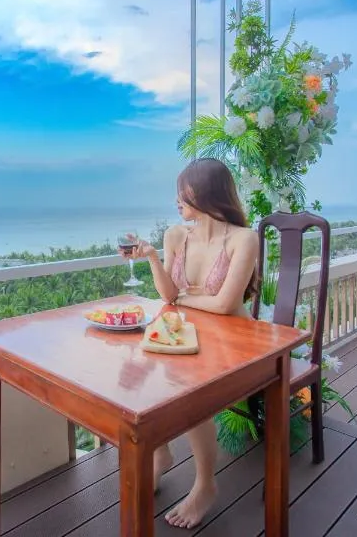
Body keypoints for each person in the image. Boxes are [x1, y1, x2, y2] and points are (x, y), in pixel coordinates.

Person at [120, 157, 259, 529]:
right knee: (140, 369)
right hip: (188, 334)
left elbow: (226, 305)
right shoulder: (175, 235)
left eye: (183, 193)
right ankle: (161, 453)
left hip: (236, 341)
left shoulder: (244, 239)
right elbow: (168, 295)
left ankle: (205, 484)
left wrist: (183, 298)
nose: (177, 200)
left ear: (206, 193)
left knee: (188, 386)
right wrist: (152, 259)